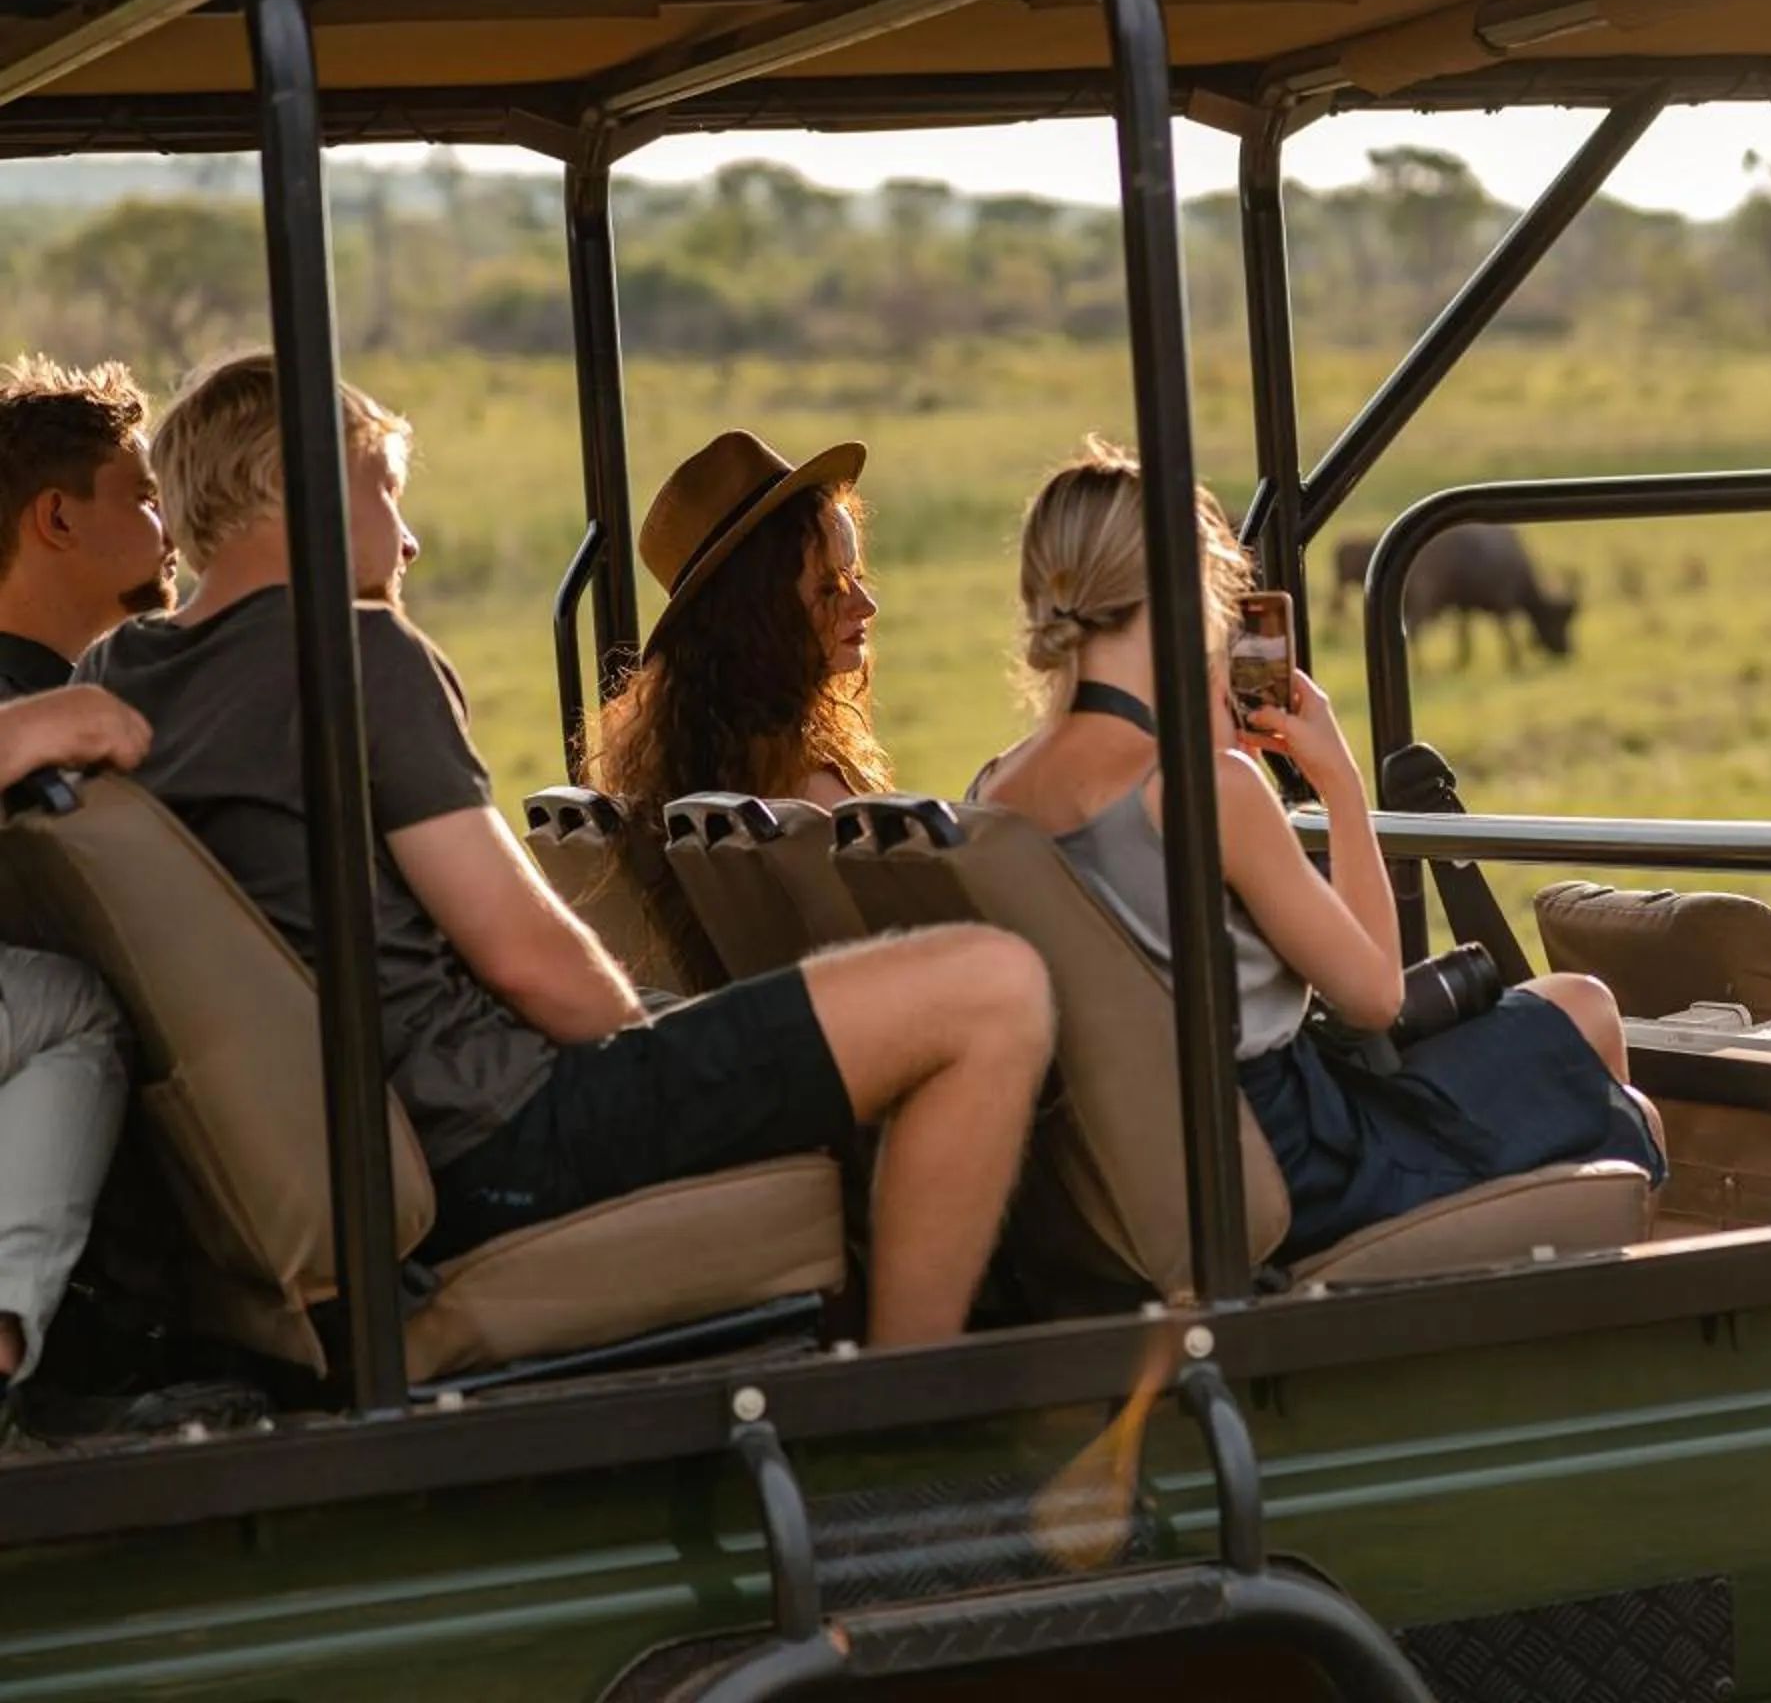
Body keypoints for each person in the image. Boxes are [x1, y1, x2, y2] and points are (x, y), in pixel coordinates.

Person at [80, 352, 1055, 1347]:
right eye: (383, 489)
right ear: (302, 485)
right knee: (991, 981)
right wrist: (657, 1062)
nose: (408, 539)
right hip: (498, 1127)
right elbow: (526, 955)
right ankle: (911, 1401)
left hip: (398, 1134)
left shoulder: (120, 675)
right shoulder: (361, 653)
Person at [970, 440, 1662, 1264]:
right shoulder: (1206, 787)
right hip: (1299, 1159)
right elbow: (1373, 993)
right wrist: (1334, 776)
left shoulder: (993, 793)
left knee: (1569, 1016)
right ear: (1187, 593)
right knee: (1629, 1111)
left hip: (1143, 1167)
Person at [0, 357, 174, 1400]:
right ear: (56, 518)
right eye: (145, 500)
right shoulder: (45, 707)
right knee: (77, 1010)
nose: (171, 533)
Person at [588, 431, 889, 827]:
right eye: (830, 588)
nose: (866, 606)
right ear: (756, 612)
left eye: (858, 577)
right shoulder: (809, 797)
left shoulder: (687, 771)